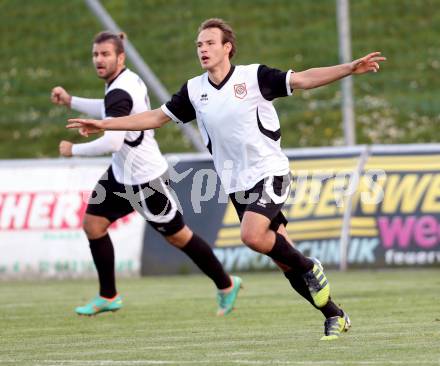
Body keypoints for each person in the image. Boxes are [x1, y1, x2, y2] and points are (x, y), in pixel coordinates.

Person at [67, 19, 386, 339]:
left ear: (227, 47)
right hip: (237, 184)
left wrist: (348, 67)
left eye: (209, 43)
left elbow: (303, 79)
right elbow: (156, 118)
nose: (203, 49)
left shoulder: (254, 77)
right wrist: (106, 124)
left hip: (269, 172)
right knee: (282, 258)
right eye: (199, 45)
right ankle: (334, 314)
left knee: (252, 236)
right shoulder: (194, 90)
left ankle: (309, 267)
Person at [52, 30, 242, 317]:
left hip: (147, 180)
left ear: (120, 57)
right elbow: (107, 108)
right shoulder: (122, 81)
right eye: (95, 54)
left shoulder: (119, 90)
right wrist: (72, 101)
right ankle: (108, 295)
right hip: (121, 175)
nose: (99, 60)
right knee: (93, 224)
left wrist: (73, 151)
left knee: (179, 237)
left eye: (105, 54)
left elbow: (113, 140)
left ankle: (227, 284)